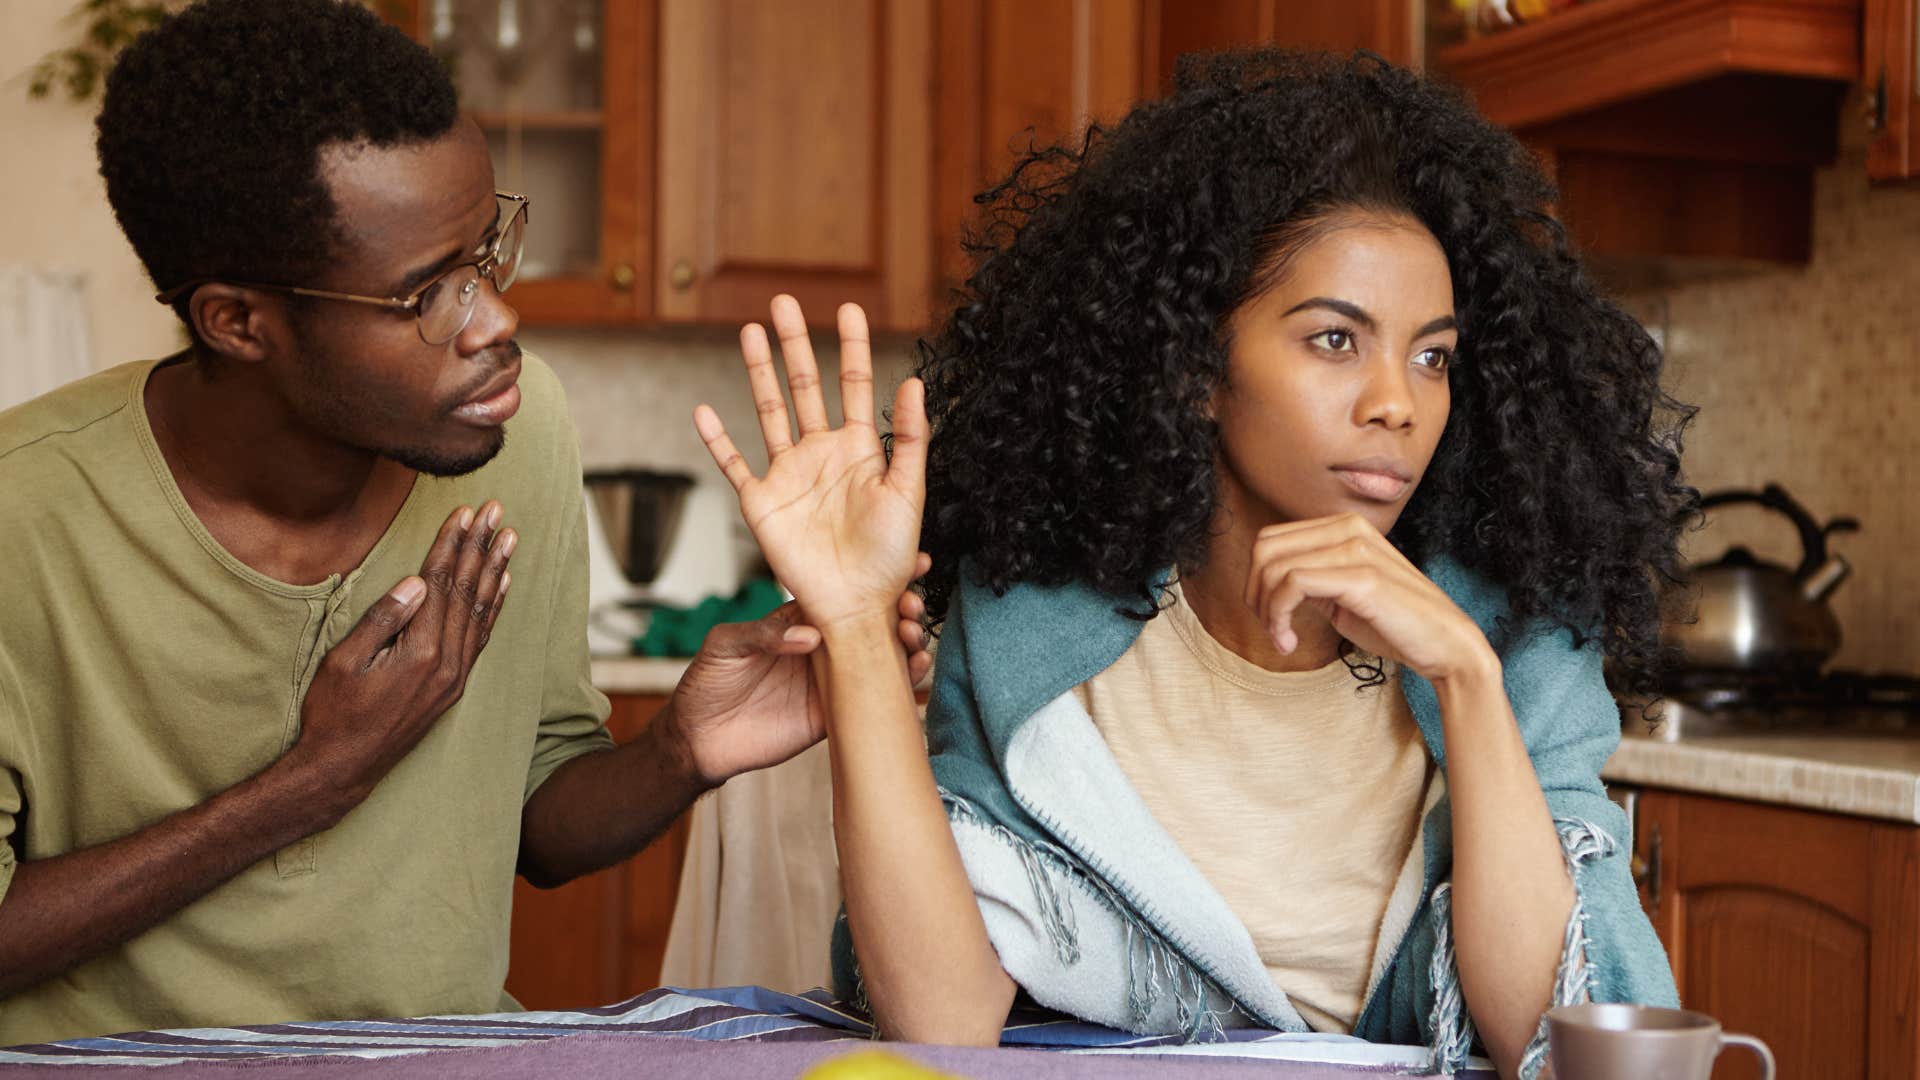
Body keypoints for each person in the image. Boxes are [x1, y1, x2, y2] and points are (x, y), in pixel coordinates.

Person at [695, 50, 1694, 1080]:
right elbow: (939, 1021)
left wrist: (1468, 682)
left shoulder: (1518, 628)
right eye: (1336, 341)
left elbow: (1566, 1038)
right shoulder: (1038, 619)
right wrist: (858, 626)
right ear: (1192, 366)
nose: (1399, 402)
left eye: (1433, 355)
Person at [0, 0, 928, 1047]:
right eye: (427, 294)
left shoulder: (521, 437)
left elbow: (538, 821)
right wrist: (310, 782)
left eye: (488, 252)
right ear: (239, 322)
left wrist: (681, 748)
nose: (495, 319)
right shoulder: (21, 516)